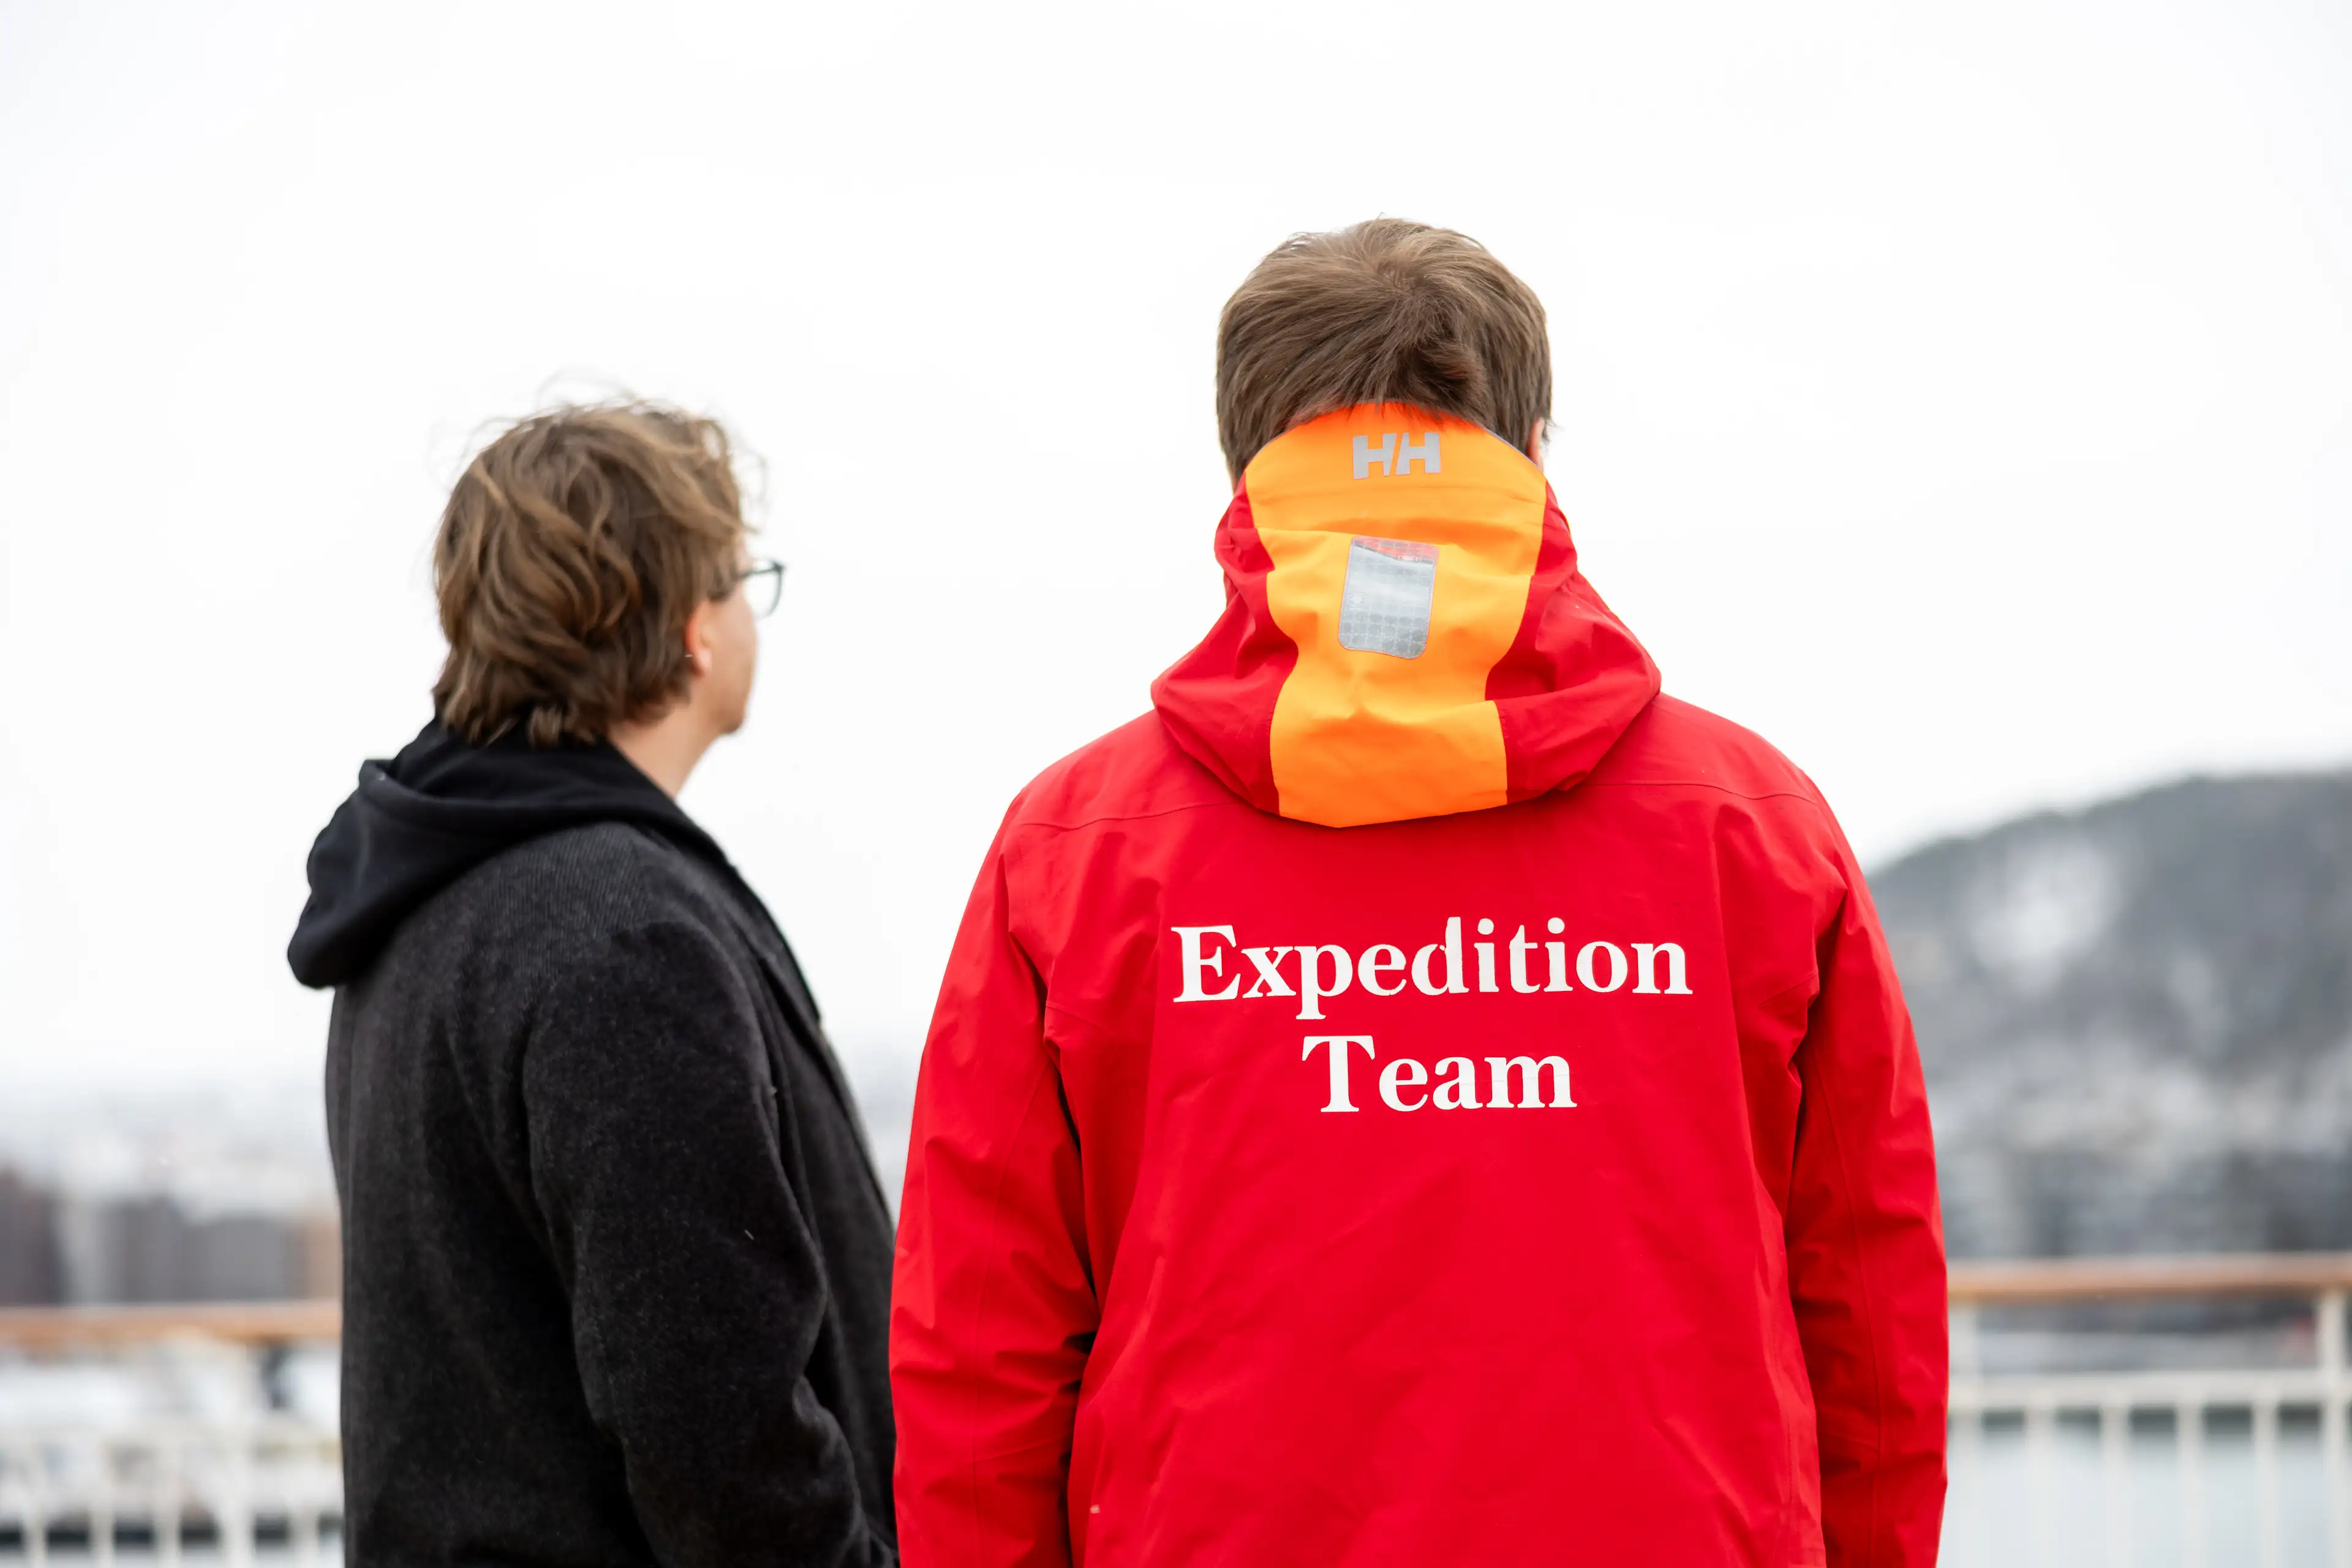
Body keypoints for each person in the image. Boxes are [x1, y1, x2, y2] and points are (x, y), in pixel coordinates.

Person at [890, 221, 1947, 1565]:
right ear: (1536, 448)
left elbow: (976, 1357)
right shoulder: (1756, 827)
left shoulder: (1074, 846)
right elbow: (1873, 1318)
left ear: (1243, 463)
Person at [289, 403, 897, 1566]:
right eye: (742, 579)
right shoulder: (619, 935)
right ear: (692, 627)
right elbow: (720, 1432)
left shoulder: (429, 898)